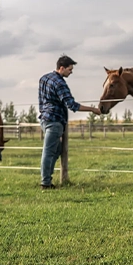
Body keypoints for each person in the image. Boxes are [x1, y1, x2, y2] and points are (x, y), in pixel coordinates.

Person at [38, 55, 101, 189]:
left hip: (44, 119)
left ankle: (47, 177)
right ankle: (45, 182)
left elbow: (41, 101)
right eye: (70, 69)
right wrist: (92, 109)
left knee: (58, 149)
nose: (71, 72)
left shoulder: (43, 78)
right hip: (54, 121)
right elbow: (72, 104)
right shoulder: (60, 83)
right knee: (49, 151)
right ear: (62, 68)